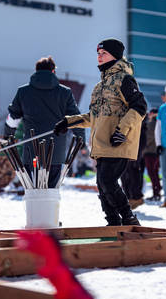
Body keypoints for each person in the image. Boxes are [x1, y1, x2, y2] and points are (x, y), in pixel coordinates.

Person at [54, 39, 146, 226]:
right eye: (98, 53)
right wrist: (68, 122)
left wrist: (122, 131)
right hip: (102, 144)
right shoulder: (100, 87)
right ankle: (113, 222)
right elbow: (95, 116)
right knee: (103, 186)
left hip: (118, 142)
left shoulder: (124, 79)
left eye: (103, 53)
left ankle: (129, 218)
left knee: (108, 182)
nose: (99, 56)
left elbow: (140, 107)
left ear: (115, 55)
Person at [4, 56, 85, 188]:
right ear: (53, 71)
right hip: (55, 152)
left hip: (31, 151)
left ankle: (34, 209)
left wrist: (8, 136)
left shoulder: (23, 91)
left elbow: (13, 118)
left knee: (32, 190)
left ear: (36, 71)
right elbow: (75, 119)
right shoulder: (65, 92)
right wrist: (80, 140)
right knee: (51, 190)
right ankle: (48, 208)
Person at [121, 117, 148, 209]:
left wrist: (137, 154)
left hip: (135, 150)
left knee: (133, 173)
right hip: (125, 148)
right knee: (124, 175)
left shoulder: (140, 122)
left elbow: (142, 142)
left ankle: (136, 197)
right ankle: (129, 197)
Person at [143, 109, 161, 201]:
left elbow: (148, 137)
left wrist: (143, 146)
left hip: (150, 151)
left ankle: (156, 193)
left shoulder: (151, 124)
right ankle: (157, 192)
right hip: (156, 151)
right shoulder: (158, 123)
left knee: (152, 173)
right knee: (155, 172)